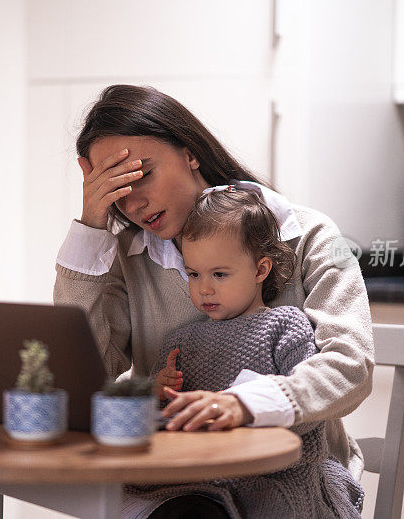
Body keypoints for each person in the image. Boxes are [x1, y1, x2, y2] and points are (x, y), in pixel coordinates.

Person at [53, 84, 374, 516]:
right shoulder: (124, 255)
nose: (134, 202)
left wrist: (244, 403)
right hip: (170, 483)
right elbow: (87, 377)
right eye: (116, 188)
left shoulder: (311, 235)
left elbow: (350, 364)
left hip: (291, 475)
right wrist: (91, 227)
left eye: (143, 174)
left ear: (190, 153)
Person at [125, 186, 364, 518]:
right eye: (194, 274)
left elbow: (309, 414)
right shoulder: (182, 342)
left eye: (219, 274)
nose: (204, 288)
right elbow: (168, 422)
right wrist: (158, 392)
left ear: (260, 270)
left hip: (274, 475)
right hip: (199, 481)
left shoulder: (285, 327)